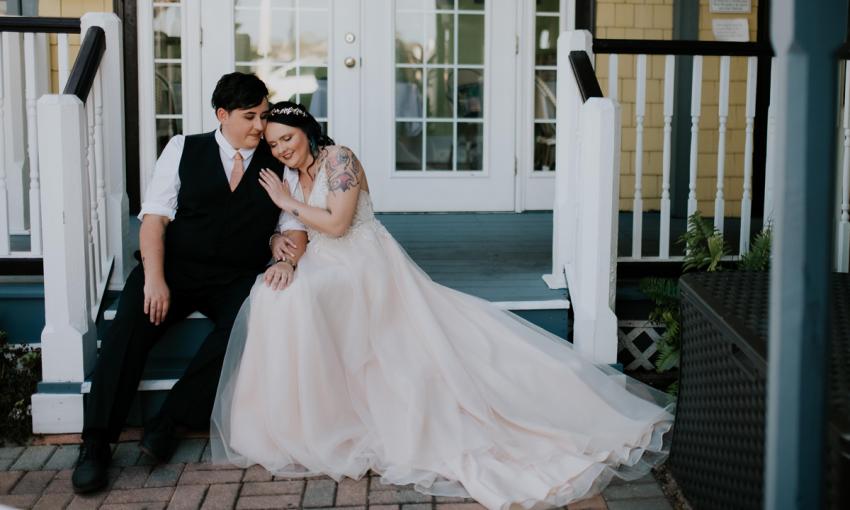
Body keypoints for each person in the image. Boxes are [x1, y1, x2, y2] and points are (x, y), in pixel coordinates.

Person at [211, 102, 675, 509]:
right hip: (322, 264)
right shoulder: (292, 174)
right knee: (273, 296)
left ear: (307, 131)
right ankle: (303, 420)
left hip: (363, 263)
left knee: (316, 303)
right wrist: (283, 254)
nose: (281, 150)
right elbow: (293, 232)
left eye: (286, 138)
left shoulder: (339, 159)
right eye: (272, 144)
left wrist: (286, 200)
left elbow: (335, 224)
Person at [71, 73, 308, 493]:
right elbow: (155, 220)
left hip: (237, 274)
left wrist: (284, 257)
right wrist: (155, 280)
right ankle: (96, 443)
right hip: (176, 268)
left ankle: (169, 421)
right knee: (128, 328)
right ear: (222, 115)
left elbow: (292, 224)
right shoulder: (183, 148)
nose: (260, 126)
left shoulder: (277, 160)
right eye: (250, 117)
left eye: (264, 116)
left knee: (248, 326)